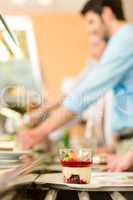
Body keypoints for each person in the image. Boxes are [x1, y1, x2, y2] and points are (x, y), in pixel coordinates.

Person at [18, 0, 133, 152]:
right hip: (124, 141)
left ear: (107, 14)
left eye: (92, 21)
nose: (90, 30)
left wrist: (42, 131)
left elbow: (85, 93)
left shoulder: (125, 39)